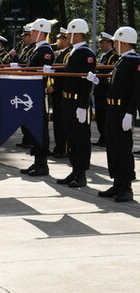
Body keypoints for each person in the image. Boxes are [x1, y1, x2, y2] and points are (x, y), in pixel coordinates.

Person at [98, 27, 140, 202]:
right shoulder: (122, 60)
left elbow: (136, 90)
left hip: (123, 110)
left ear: (124, 41)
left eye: (116, 41)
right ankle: (117, 182)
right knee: (113, 146)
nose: (114, 44)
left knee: (123, 148)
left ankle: (126, 187)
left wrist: (130, 112)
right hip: (113, 109)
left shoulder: (134, 60)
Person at [56, 19, 96, 188]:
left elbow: (86, 81)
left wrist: (82, 105)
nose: (68, 37)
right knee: (71, 137)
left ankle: (81, 173)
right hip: (68, 100)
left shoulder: (87, 54)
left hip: (78, 102)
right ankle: (74, 170)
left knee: (81, 138)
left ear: (78, 34)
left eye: (70, 34)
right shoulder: (74, 51)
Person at [19, 18, 55, 176]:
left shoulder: (45, 50)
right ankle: (36, 162)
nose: (31, 34)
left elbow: (41, 73)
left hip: (39, 94)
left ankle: (43, 164)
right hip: (31, 94)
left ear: (41, 32)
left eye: (33, 31)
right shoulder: (36, 49)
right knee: (34, 130)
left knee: (40, 130)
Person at [47, 28, 72, 158]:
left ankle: (64, 148)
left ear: (66, 40)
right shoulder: (61, 53)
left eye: (59, 38)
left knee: (63, 122)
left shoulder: (68, 54)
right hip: (56, 92)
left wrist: (55, 87)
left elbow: (65, 75)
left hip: (62, 92)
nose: (57, 41)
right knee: (57, 122)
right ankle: (59, 147)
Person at [92, 32, 118, 147]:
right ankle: (103, 137)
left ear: (109, 43)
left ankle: (106, 138)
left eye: (102, 42)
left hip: (106, 90)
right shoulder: (103, 56)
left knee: (105, 116)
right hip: (99, 90)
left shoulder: (113, 56)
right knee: (100, 116)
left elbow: (109, 74)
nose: (100, 45)